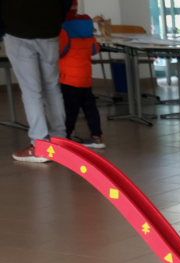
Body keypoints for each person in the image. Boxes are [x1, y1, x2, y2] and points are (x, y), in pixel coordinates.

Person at [2, 0, 67, 163]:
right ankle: (60, 140)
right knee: (52, 88)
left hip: (18, 30)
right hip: (49, 30)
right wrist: (55, 20)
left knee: (31, 91)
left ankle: (40, 145)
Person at [58, 2, 104, 149]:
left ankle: (66, 137)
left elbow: (59, 51)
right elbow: (94, 49)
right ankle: (97, 137)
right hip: (85, 78)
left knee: (70, 110)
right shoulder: (87, 26)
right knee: (90, 109)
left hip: (69, 78)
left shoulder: (64, 28)